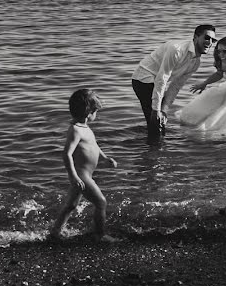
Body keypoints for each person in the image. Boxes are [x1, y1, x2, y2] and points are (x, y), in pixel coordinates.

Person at [49, 89, 119, 243]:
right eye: (95, 111)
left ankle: (55, 232)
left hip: (83, 176)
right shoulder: (75, 130)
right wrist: (73, 176)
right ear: (89, 113)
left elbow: (94, 147)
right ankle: (100, 235)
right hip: (81, 176)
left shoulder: (85, 128)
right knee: (101, 202)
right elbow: (67, 154)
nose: (96, 115)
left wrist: (105, 158)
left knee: (71, 205)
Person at [131, 25, 217, 143]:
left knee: (159, 122)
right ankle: (154, 154)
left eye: (213, 40)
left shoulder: (195, 63)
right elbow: (162, 78)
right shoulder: (177, 50)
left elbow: (175, 87)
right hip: (143, 79)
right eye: (207, 38)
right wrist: (156, 110)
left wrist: (164, 110)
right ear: (195, 37)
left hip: (157, 83)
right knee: (156, 123)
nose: (210, 42)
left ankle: (153, 150)